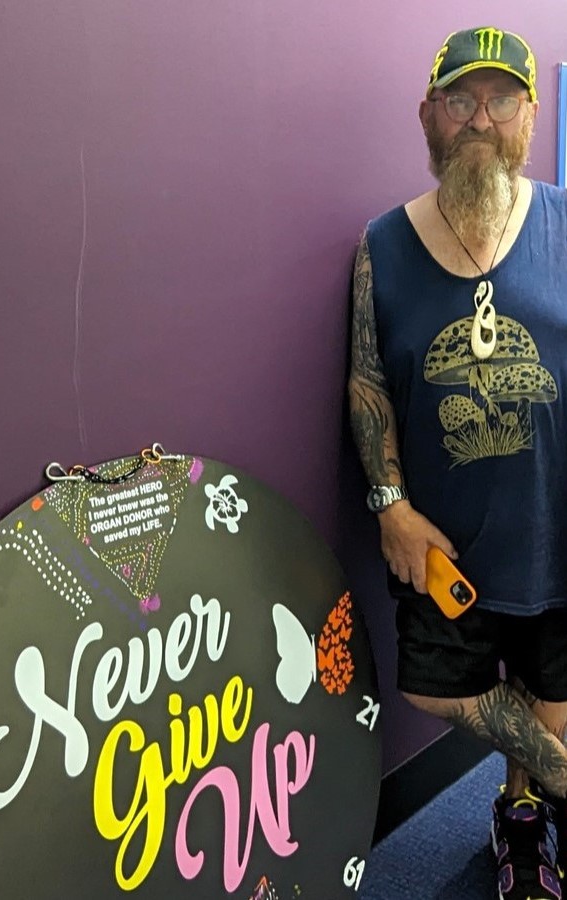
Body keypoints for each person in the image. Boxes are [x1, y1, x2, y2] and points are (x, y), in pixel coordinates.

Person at [348, 26, 567, 900]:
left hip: (551, 535)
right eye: (460, 99)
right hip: (443, 548)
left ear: (529, 116)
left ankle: (521, 826)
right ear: (428, 115)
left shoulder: (563, 223)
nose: (481, 118)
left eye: (501, 99)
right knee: (441, 692)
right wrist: (390, 507)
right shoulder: (382, 245)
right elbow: (367, 385)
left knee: (550, 716)